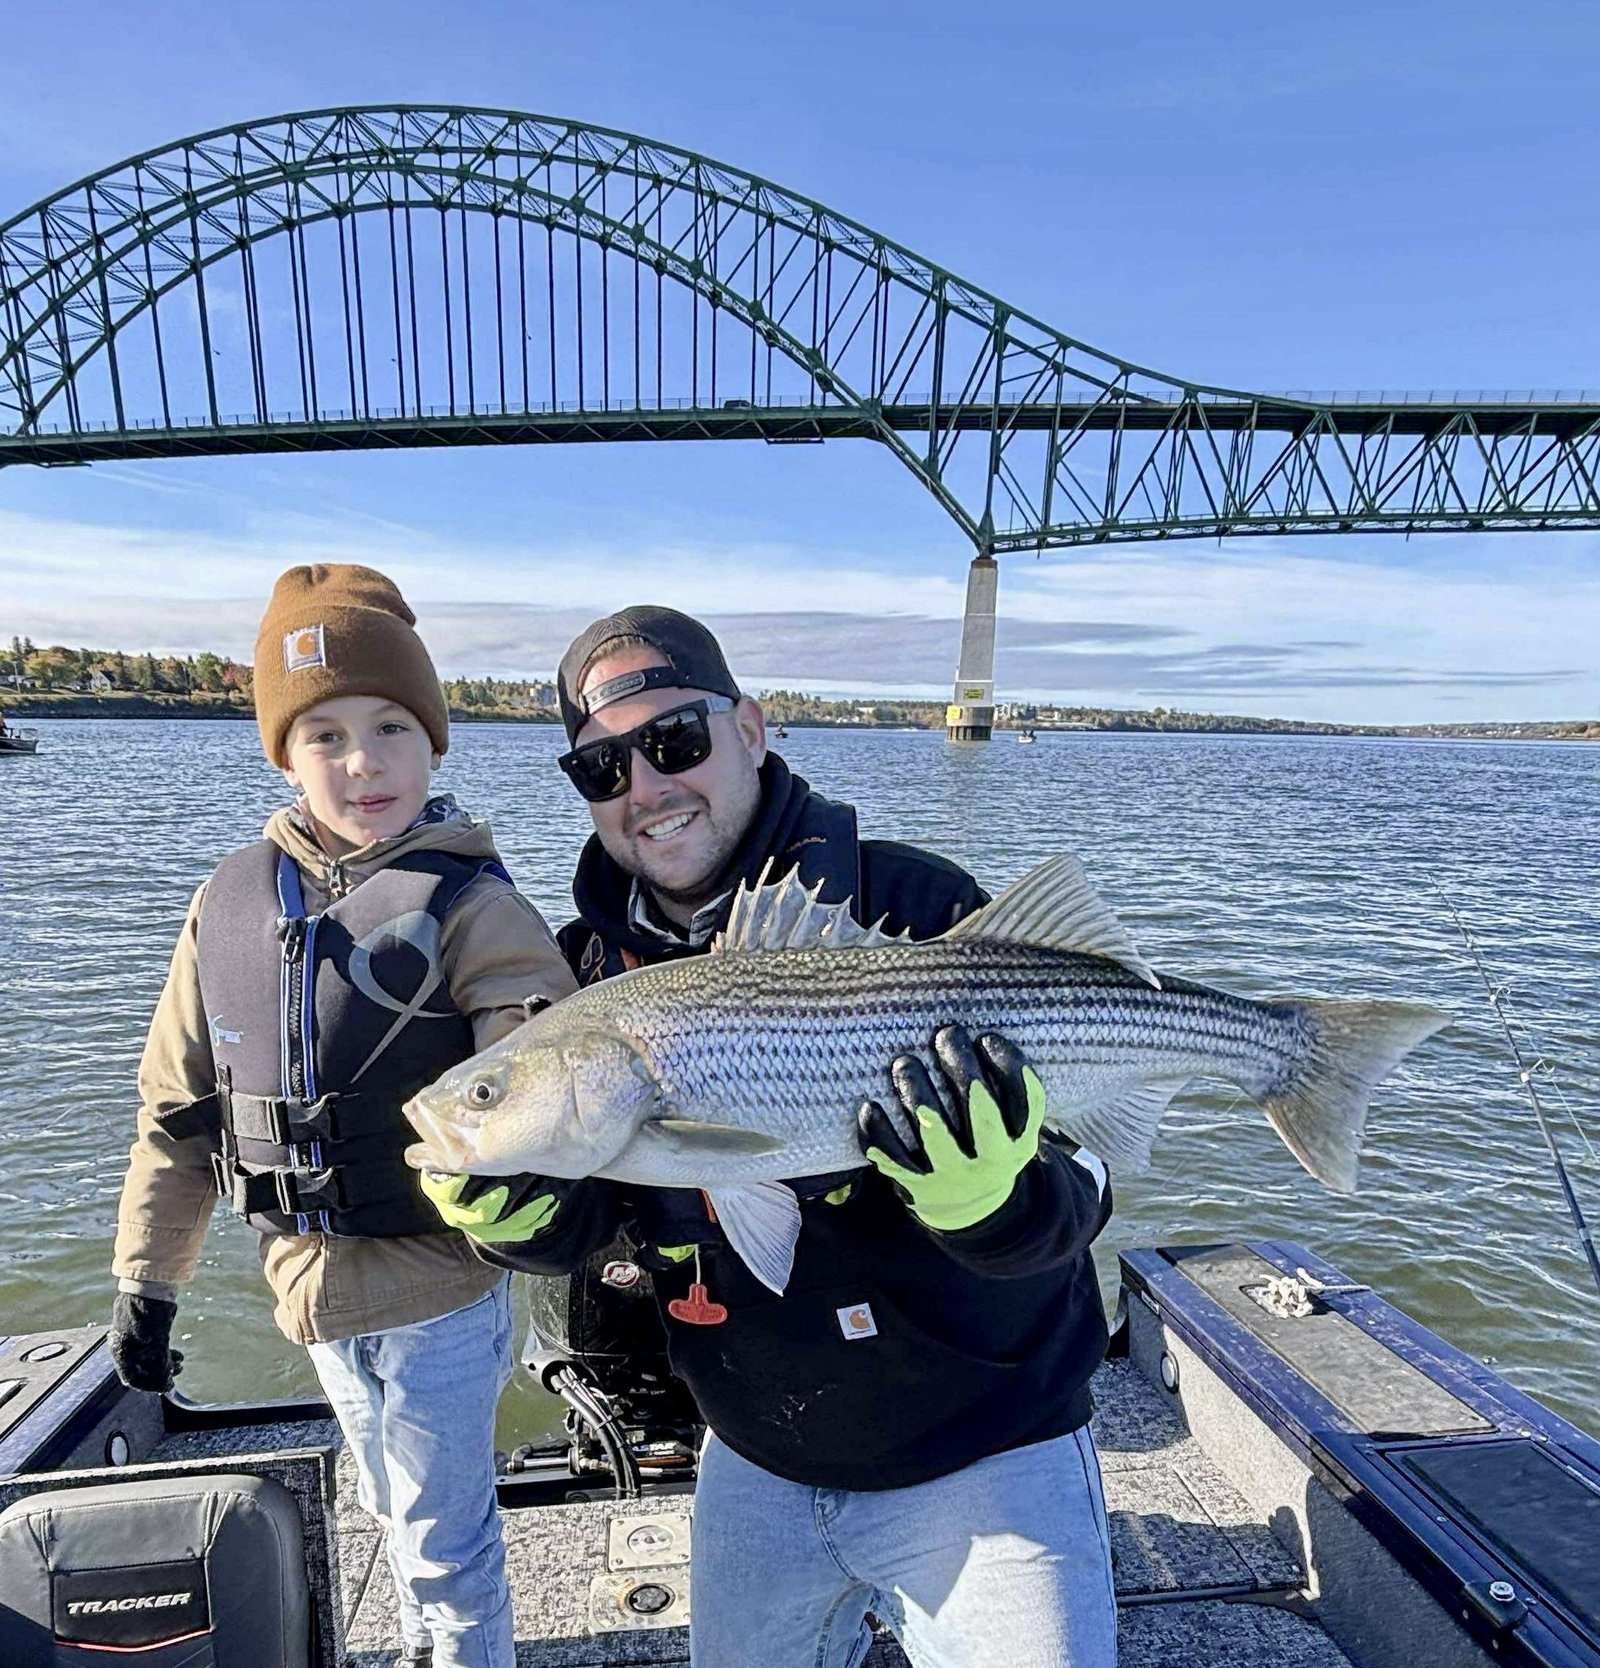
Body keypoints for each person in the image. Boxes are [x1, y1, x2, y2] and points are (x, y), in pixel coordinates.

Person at [424, 607, 1119, 1668]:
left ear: (751, 728)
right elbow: (593, 1221)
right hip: (753, 1452)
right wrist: (524, 1217)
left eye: (675, 742)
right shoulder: (578, 974)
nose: (645, 788)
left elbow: (1084, 1189)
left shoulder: (918, 903)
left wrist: (995, 1203)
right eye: (601, 770)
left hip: (991, 1444)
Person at [109, 564, 576, 1668]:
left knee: (444, 1541)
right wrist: (147, 1277)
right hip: (308, 1293)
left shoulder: (477, 904)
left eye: (390, 728)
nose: (362, 761)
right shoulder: (225, 901)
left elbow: (543, 1061)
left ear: (434, 745)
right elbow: (175, 1109)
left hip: (444, 1287)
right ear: (282, 752)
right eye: (324, 734)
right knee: (385, 1506)